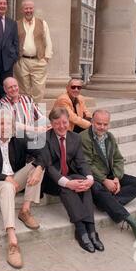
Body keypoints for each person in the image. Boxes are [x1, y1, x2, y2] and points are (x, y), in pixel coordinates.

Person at [0, 109, 45, 269]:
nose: (5, 126)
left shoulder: (18, 139)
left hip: (15, 180)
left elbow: (41, 154)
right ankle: (13, 241)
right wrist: (6, 178)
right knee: (7, 187)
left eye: (8, 123)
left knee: (37, 167)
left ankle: (25, 211)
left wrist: (39, 167)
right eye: (1, 123)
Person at [42, 107, 104, 253]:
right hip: (51, 180)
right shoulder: (44, 138)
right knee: (67, 188)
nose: (61, 126)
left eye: (64, 122)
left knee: (84, 183)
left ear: (68, 122)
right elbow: (49, 166)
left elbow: (81, 162)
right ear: (51, 123)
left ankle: (92, 230)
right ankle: (81, 229)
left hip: (70, 174)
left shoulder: (74, 138)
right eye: (57, 123)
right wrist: (68, 183)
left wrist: (89, 178)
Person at [80, 109, 136, 239]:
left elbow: (118, 159)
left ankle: (106, 203)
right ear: (92, 122)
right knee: (98, 190)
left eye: (105, 124)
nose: (102, 127)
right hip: (93, 178)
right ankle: (132, 221)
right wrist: (104, 180)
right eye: (98, 123)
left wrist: (116, 177)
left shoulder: (109, 137)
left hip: (111, 175)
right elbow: (87, 164)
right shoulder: (84, 138)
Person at [14, 0, 53, 103]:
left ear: (33, 9)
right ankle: (26, 114)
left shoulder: (42, 23)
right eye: (26, 8)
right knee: (23, 90)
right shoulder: (16, 24)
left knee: (38, 90)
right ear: (22, 10)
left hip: (39, 61)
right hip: (22, 61)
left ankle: (37, 114)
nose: (28, 10)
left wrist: (46, 58)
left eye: (30, 8)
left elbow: (48, 41)